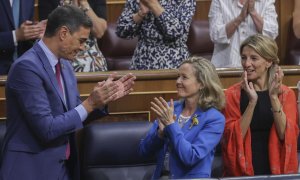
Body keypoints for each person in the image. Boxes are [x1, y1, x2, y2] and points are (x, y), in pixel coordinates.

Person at [0, 5, 135, 180]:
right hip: (30, 169)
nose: (83, 48)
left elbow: (72, 115)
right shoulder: (26, 68)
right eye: (81, 40)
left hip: (63, 169)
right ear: (63, 33)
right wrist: (89, 104)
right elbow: (47, 129)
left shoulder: (65, 66)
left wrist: (100, 101)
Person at [222, 34, 299, 176]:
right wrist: (252, 103)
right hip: (242, 171)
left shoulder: (285, 94)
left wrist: (274, 97)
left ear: (268, 62)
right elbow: (231, 138)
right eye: (244, 57)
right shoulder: (232, 95)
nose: (247, 64)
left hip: (277, 171)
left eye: (254, 58)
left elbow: (286, 136)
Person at [139, 57, 225, 179]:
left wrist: (171, 125)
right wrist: (160, 134)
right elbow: (143, 152)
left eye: (184, 77)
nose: (178, 81)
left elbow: (191, 157)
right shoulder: (170, 108)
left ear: (202, 83)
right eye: (178, 76)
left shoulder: (214, 119)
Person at [116, 0, 196, 70]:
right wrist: (141, 14)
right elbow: (121, 31)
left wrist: (153, 4)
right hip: (142, 61)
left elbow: (175, 33)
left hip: (174, 62)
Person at [39, 0, 108, 72]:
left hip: (92, 55)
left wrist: (84, 4)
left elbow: (99, 32)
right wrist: (67, 7)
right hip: (64, 52)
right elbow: (48, 31)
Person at [208, 0, 278, 68]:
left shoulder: (266, 1)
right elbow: (215, 35)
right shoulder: (219, 1)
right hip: (225, 67)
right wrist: (240, 18)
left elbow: (272, 35)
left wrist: (253, 12)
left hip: (258, 69)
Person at [0, 0, 46, 75]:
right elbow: (19, 34)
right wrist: (15, 35)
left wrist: (36, 31)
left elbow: (26, 32)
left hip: (24, 70)